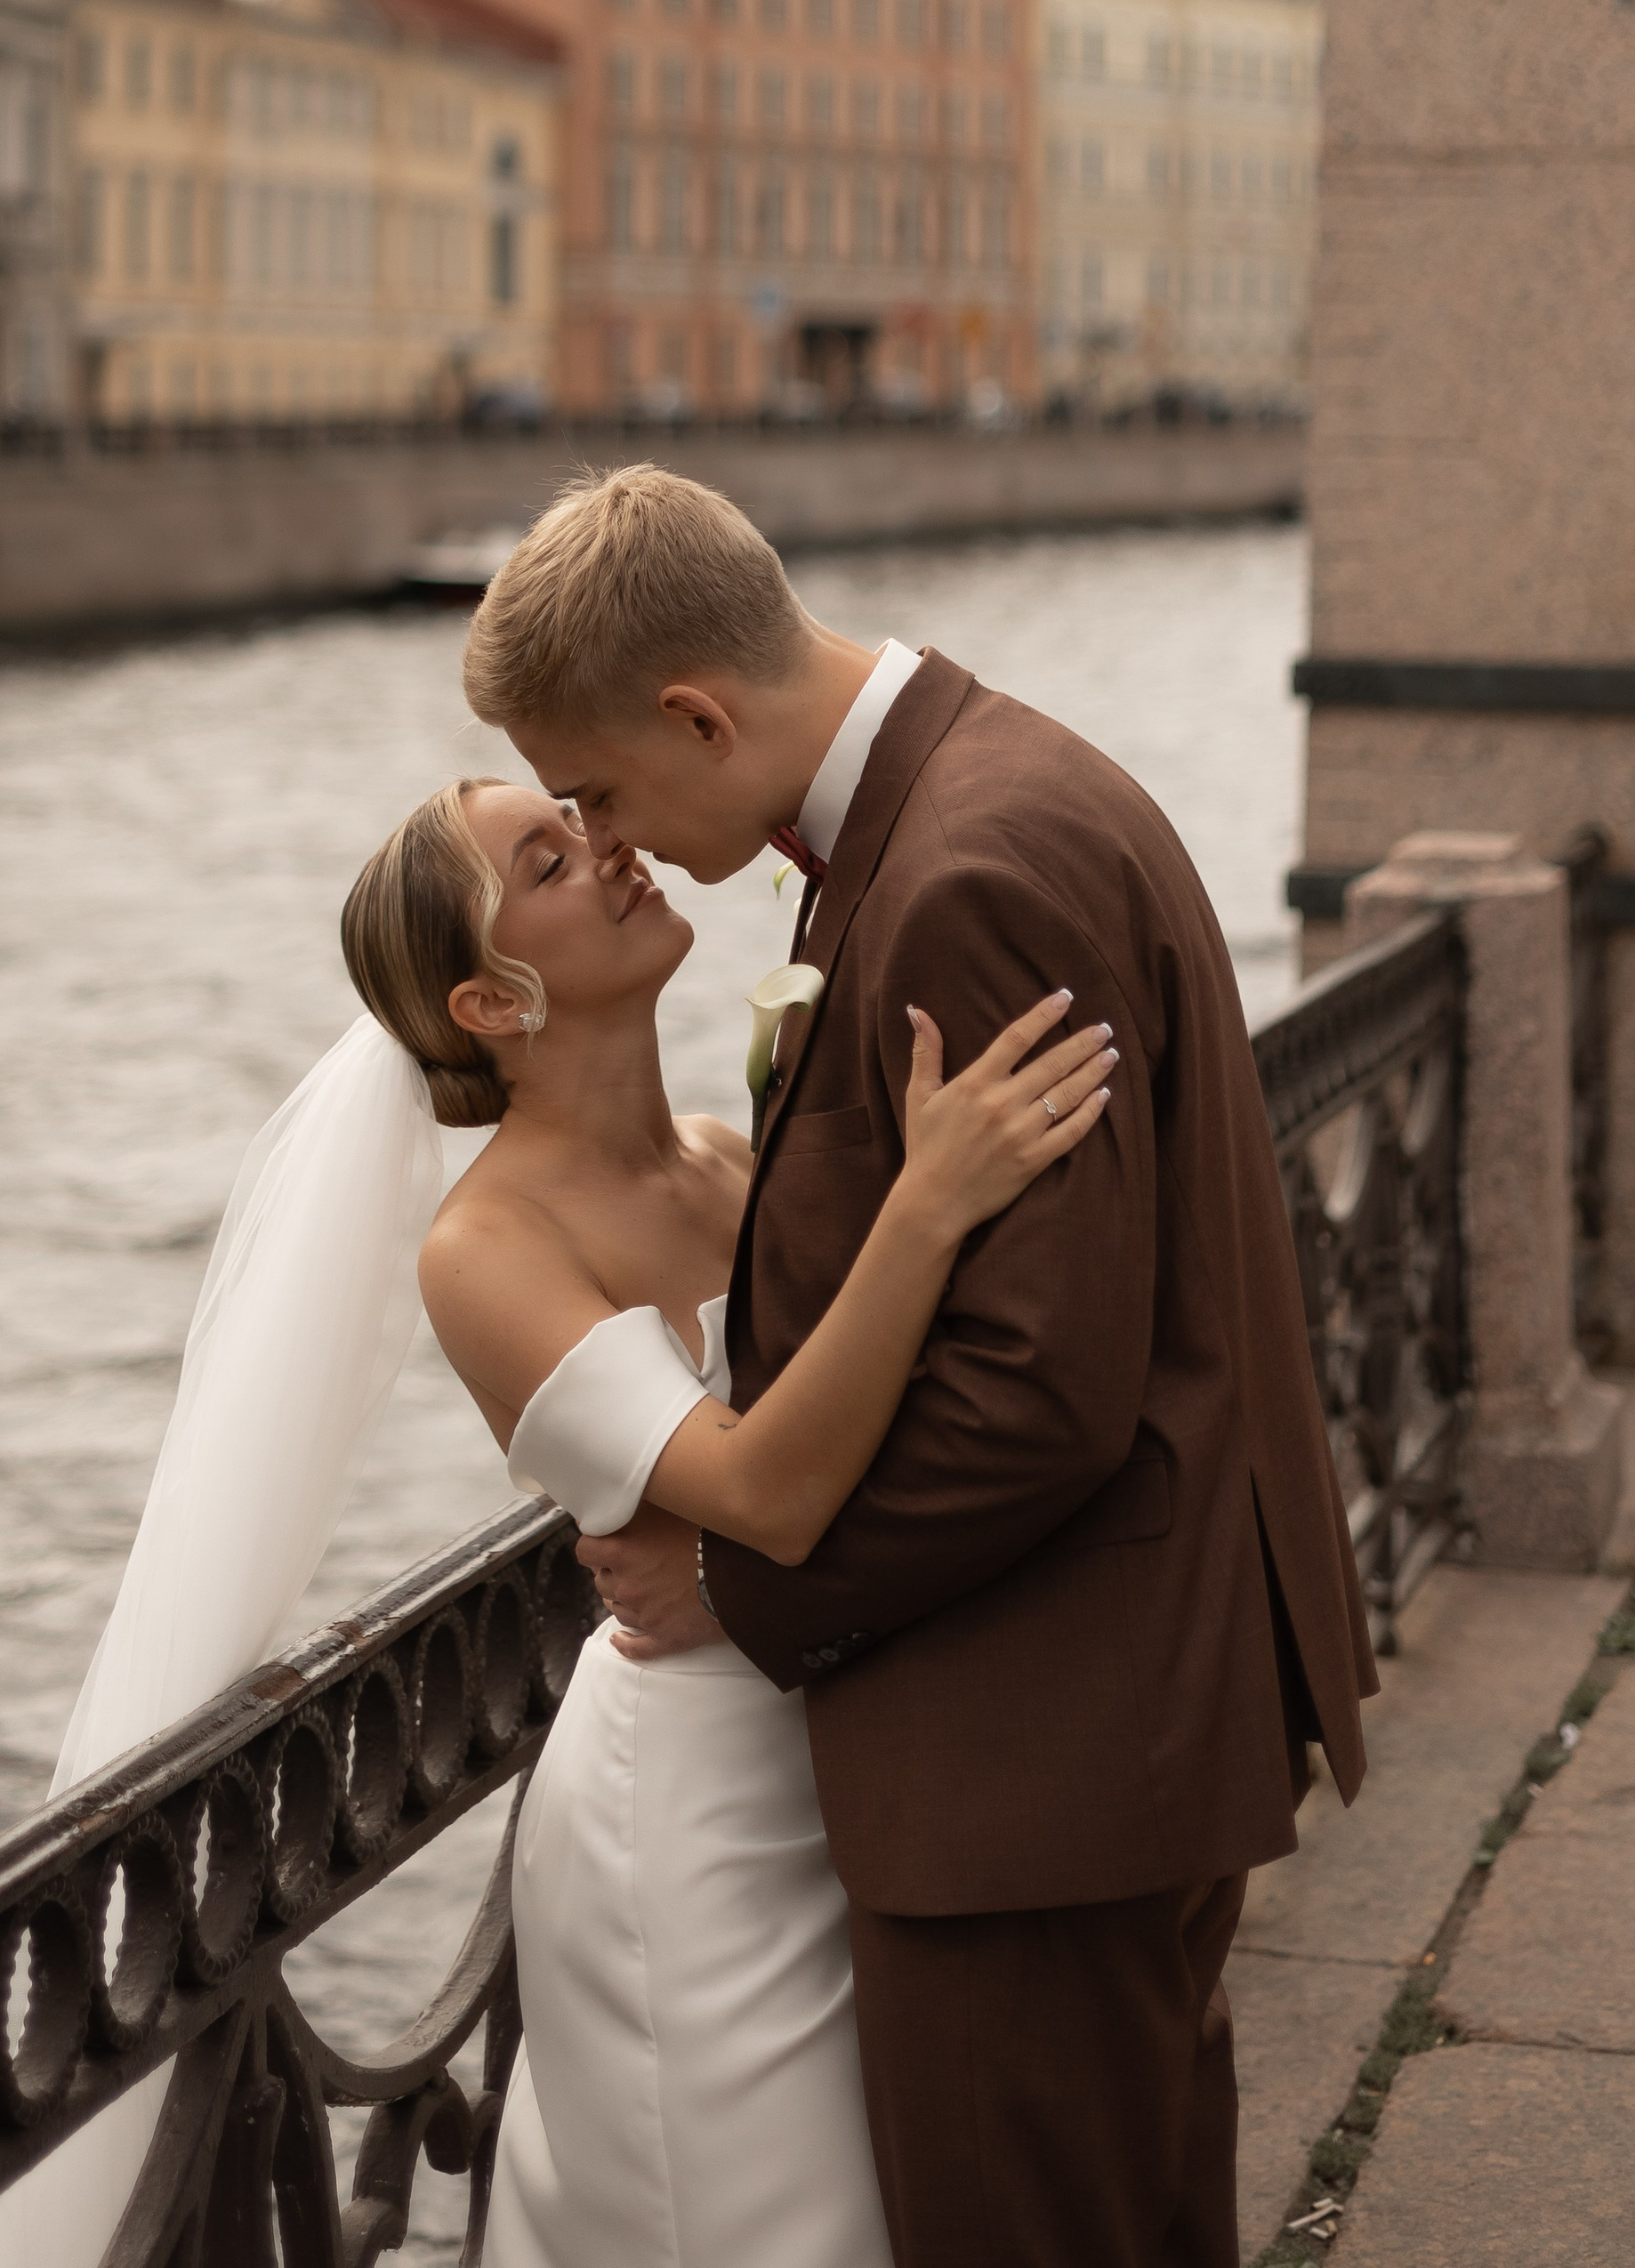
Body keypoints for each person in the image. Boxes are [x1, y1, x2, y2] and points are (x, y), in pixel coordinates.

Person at [458, 464, 1378, 2268]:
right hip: (1107, 1711)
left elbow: (1034, 1395)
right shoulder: (983, 791)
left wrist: (732, 1580)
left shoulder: (961, 871)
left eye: (594, 787)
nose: (609, 831)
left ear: (696, 715)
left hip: (1039, 1754)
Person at [342, 779, 1114, 2268]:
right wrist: (929, 1201)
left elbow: (883, 1407)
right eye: (550, 861)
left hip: (842, 1743)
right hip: (685, 1816)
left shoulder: (721, 1148)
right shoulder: (487, 1246)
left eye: (581, 816)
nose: (611, 846)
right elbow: (767, 1483)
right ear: (488, 1002)